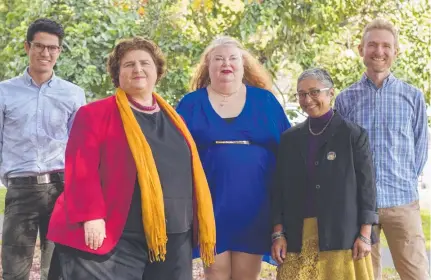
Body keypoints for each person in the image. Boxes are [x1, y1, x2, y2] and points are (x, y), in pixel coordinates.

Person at [46, 36, 215, 280]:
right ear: (117, 73)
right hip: (117, 235)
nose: (138, 69)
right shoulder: (94, 114)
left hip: (172, 237)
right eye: (128, 64)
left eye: (145, 63)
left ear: (157, 70)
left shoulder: (175, 120)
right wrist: (91, 216)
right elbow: (81, 169)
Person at [176, 36, 290, 280]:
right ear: (208, 66)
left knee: (246, 274)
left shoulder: (265, 101)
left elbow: (288, 154)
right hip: (209, 204)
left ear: (243, 65)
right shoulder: (190, 104)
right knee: (215, 273)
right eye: (218, 58)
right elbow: (174, 157)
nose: (225, 63)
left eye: (232, 58)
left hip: (254, 205)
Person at [335, 18, 429, 280]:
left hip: (402, 203)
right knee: (365, 276)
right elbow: (342, 154)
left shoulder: (412, 97)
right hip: (360, 207)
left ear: (395, 52)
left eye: (386, 46)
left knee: (417, 274)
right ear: (360, 49)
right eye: (372, 45)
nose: (379, 51)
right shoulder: (345, 99)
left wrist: (406, 178)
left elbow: (421, 146)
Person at [0, 18, 86, 280]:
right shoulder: (4, 92)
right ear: (27, 47)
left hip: (61, 189)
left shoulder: (73, 94)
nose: (45, 53)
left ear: (59, 51)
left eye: (53, 48)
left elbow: (79, 146)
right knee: (14, 272)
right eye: (39, 46)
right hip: (20, 188)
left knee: (58, 271)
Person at [271, 68, 377, 280]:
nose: (307, 99)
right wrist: (278, 233)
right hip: (297, 235)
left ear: (331, 93)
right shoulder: (290, 139)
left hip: (342, 235)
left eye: (314, 92)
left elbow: (367, 189)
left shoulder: (353, 135)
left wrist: (366, 234)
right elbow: (279, 190)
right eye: (301, 94)